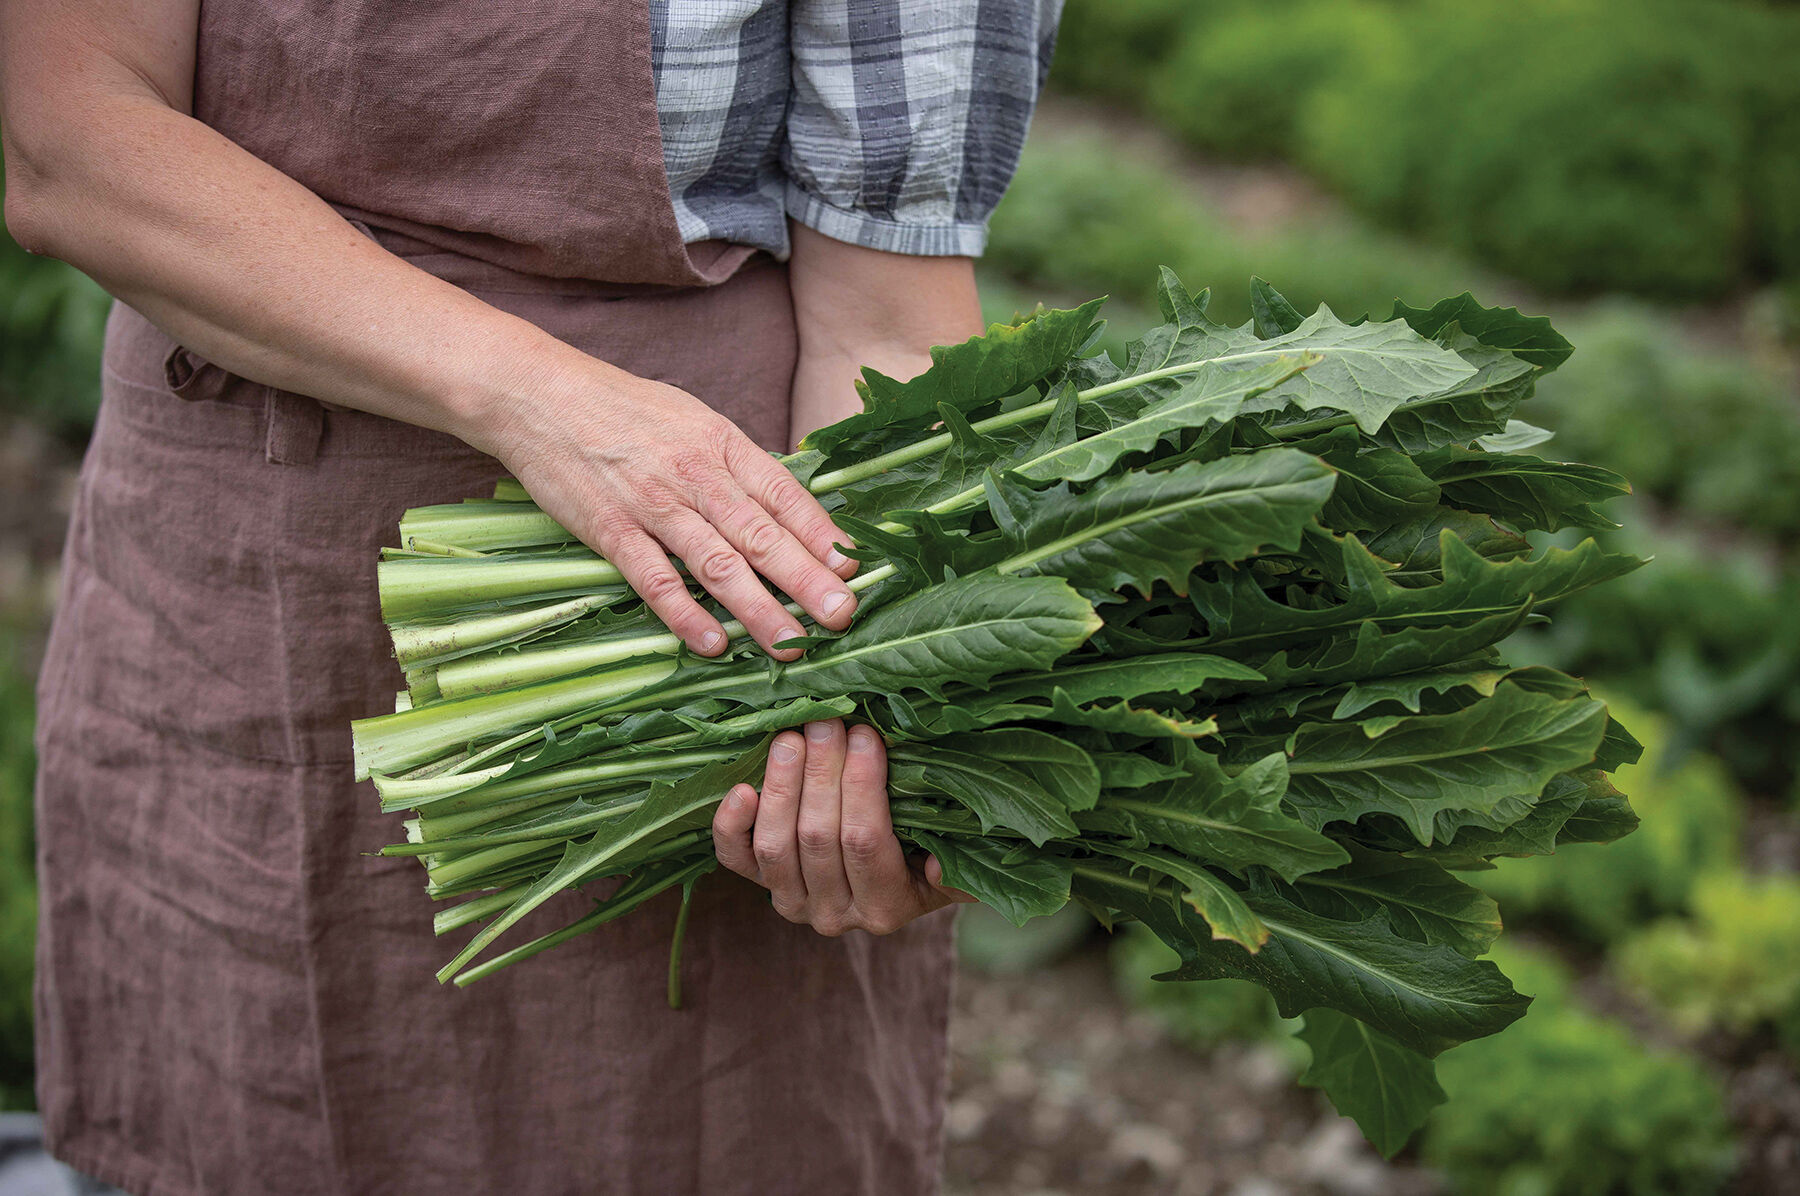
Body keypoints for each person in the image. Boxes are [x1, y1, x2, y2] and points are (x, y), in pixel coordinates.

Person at [0, 0, 1062, 1192]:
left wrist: (856, 695)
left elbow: (886, 323)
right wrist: (543, 402)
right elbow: (70, 142)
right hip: (246, 566)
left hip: (682, 642)